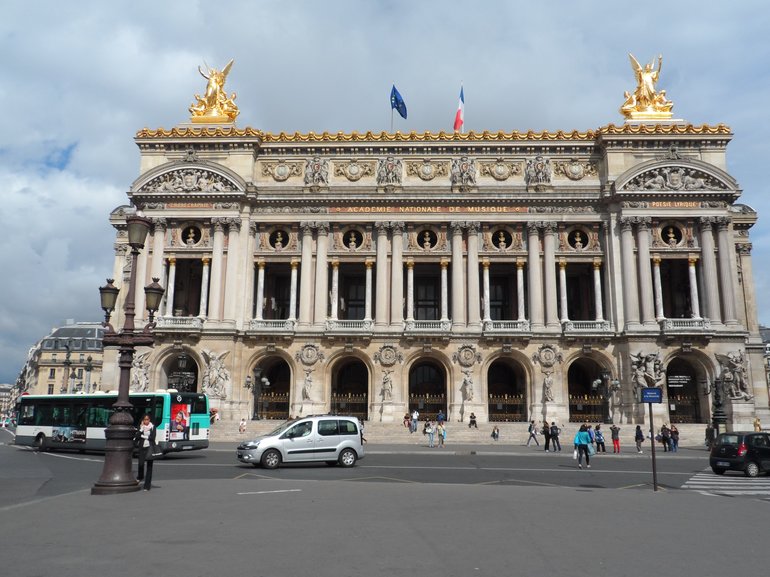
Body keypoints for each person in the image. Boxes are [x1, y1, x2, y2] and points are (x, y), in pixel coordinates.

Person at [135, 414, 157, 491]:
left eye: (147, 419)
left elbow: (152, 438)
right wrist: (141, 430)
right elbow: (137, 436)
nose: (146, 421)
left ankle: (147, 485)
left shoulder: (152, 427)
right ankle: (140, 476)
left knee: (149, 467)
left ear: (149, 420)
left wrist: (143, 436)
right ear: (143, 420)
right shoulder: (141, 427)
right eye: (145, 419)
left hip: (150, 448)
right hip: (142, 448)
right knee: (140, 464)